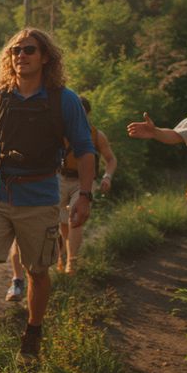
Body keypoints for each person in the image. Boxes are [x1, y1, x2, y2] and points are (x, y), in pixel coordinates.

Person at [0, 28, 95, 366]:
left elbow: (85, 150)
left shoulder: (62, 99)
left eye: (29, 50)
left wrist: (84, 195)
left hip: (40, 198)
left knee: (38, 271)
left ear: (45, 57)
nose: (20, 56)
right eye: (15, 51)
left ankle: (33, 333)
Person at [57, 97, 117, 273]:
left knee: (74, 220)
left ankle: (71, 263)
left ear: (87, 113)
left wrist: (107, 177)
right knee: (62, 223)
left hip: (85, 181)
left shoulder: (96, 135)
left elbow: (110, 159)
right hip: (60, 178)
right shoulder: (60, 133)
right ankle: (63, 255)